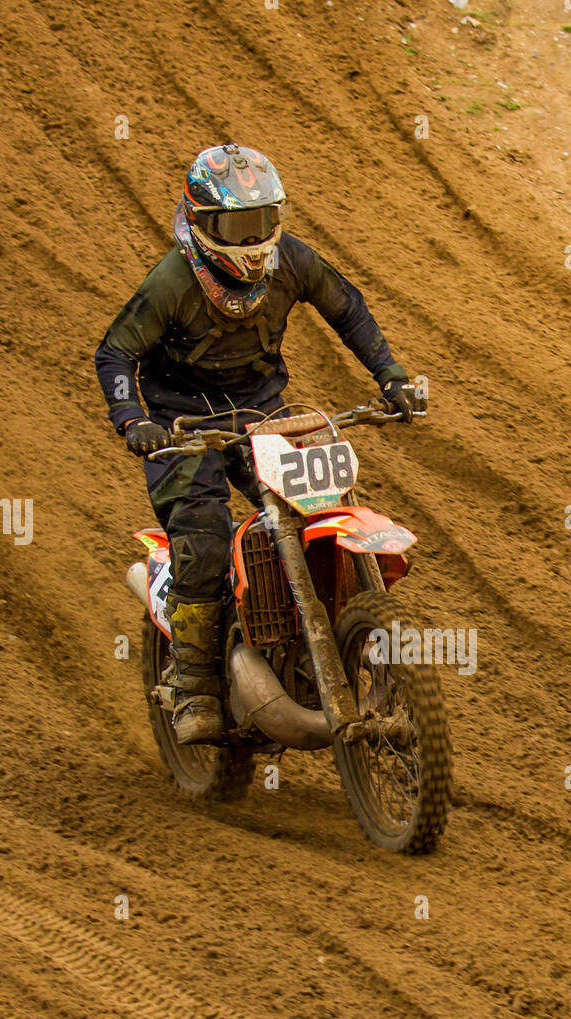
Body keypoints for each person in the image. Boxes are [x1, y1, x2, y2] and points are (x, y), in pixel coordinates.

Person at [95, 143, 419, 744]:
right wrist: (132, 420)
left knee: (319, 506)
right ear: (200, 223)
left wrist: (391, 376)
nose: (253, 241)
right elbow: (116, 352)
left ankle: (324, 631)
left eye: (263, 221)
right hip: (183, 428)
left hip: (264, 413)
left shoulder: (291, 260)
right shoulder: (173, 281)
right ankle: (194, 688)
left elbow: (348, 308)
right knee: (205, 540)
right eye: (238, 227)